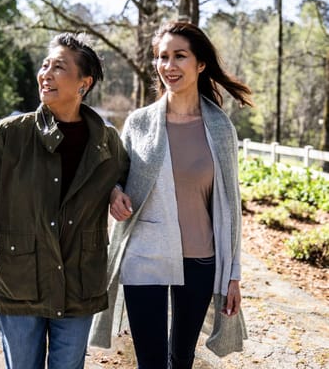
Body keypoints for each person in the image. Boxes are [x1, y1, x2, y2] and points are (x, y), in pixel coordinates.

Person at [0, 32, 129, 369]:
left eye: (59, 67)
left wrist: (116, 189)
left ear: (84, 83)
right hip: (19, 281)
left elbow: (128, 175)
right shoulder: (11, 134)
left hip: (79, 283)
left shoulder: (106, 142)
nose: (46, 74)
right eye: (45, 65)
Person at [90, 21, 253, 368]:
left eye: (180, 56)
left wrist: (233, 274)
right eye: (162, 57)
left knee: (181, 358)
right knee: (150, 360)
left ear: (201, 63)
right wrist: (114, 193)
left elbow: (230, 207)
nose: (169, 66)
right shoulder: (139, 123)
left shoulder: (220, 128)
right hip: (145, 255)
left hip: (200, 259)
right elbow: (114, 176)